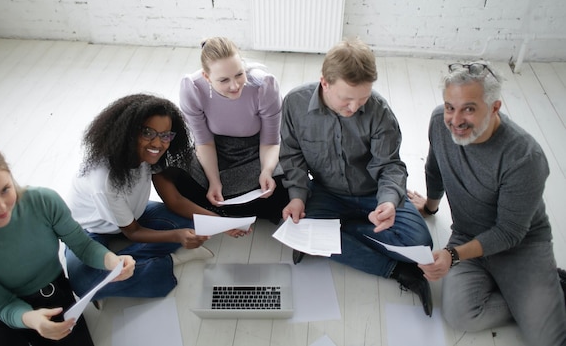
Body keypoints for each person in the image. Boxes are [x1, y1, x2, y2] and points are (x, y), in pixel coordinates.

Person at [408, 62, 566, 345]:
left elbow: (509, 232)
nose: (455, 120)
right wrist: (431, 207)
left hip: (521, 245)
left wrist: (453, 256)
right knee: (460, 315)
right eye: (449, 107)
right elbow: (435, 168)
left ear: (494, 107)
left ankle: (553, 289)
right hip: (469, 235)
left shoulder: (524, 157)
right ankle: (530, 298)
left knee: (547, 340)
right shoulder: (439, 123)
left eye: (469, 108)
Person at [280, 38, 434, 316]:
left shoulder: (379, 110)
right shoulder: (294, 103)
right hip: (327, 192)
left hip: (373, 193)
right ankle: (397, 270)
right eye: (346, 99)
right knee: (302, 230)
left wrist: (388, 201)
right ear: (324, 82)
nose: (354, 107)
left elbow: (391, 166)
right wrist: (298, 197)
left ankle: (335, 236)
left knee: (421, 245)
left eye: (362, 99)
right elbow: (292, 157)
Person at [0, 139, 135, 346]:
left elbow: (83, 246)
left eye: (5, 189)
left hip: (54, 297)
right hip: (7, 310)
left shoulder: (44, 201)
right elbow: (3, 305)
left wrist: (112, 261)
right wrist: (31, 319)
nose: (1, 206)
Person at [64, 93, 215, 302]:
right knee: (84, 282)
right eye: (148, 133)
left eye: (165, 135)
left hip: (133, 215)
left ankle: (134, 267)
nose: (158, 143)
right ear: (127, 132)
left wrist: (220, 221)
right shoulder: (104, 180)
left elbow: (175, 201)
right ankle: (168, 261)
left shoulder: (154, 155)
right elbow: (133, 232)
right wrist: (178, 236)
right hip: (90, 230)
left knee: (192, 222)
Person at [175, 37, 289, 224]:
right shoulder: (192, 88)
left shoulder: (264, 86)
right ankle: (239, 207)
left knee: (285, 186)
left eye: (239, 74)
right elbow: (204, 143)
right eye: (223, 80)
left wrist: (267, 171)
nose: (235, 86)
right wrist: (214, 181)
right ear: (206, 77)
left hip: (256, 148)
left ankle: (230, 209)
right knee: (181, 180)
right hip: (217, 149)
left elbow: (270, 141)